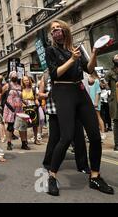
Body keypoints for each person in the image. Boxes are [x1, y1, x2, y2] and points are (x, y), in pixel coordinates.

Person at [44, 19, 114, 196]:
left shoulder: (75, 48)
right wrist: (71, 59)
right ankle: (52, 176)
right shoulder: (51, 50)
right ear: (51, 34)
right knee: (66, 136)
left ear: (66, 30)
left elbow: (89, 69)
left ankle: (95, 177)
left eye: (59, 28)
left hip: (79, 91)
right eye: (53, 29)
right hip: (62, 90)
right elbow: (54, 73)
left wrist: (94, 53)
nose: (56, 31)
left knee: (95, 136)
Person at [39, 70, 90, 173]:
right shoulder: (46, 75)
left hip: (72, 110)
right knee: (54, 138)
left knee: (78, 137)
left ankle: (83, 166)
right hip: (55, 111)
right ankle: (48, 163)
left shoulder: (70, 70)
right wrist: (48, 94)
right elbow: (40, 94)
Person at [2, 71, 28, 150]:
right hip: (10, 109)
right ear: (10, 77)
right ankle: (9, 143)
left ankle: (24, 143)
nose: (15, 76)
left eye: (16, 75)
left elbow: (21, 97)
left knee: (21, 126)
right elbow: (0, 94)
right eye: (13, 75)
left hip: (19, 109)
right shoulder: (7, 85)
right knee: (10, 126)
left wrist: (25, 102)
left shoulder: (20, 86)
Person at [21, 75, 41, 146]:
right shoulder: (21, 89)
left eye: (27, 80)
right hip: (25, 108)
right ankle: (25, 140)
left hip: (33, 108)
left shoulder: (33, 88)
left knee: (35, 124)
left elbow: (36, 98)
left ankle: (36, 139)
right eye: (24, 80)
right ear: (22, 81)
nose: (26, 81)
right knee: (25, 125)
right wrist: (22, 104)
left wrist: (37, 102)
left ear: (29, 80)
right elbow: (20, 99)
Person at [105, 54, 118, 151]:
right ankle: (117, 144)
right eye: (116, 58)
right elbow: (104, 84)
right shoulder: (110, 73)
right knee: (116, 122)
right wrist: (108, 89)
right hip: (115, 100)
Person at [87, 72, 106, 141]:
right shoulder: (87, 80)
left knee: (98, 117)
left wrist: (96, 102)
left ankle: (103, 133)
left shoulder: (97, 81)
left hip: (95, 102)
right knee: (90, 119)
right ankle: (91, 134)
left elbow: (98, 92)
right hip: (88, 102)